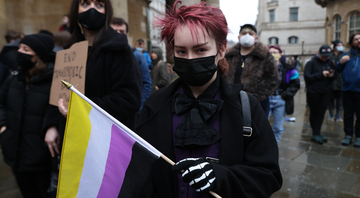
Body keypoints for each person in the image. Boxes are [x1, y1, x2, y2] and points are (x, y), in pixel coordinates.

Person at [135, 1, 282, 197]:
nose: (189, 59)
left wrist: (223, 177)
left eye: (200, 50)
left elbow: (268, 176)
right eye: (181, 51)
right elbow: (140, 171)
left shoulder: (246, 108)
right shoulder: (155, 105)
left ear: (221, 50)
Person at [0, 33, 56, 198]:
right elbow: (1, 103)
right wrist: (3, 128)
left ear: (38, 56)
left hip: (42, 159)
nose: (20, 52)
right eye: (19, 48)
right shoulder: (14, 77)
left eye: (25, 49)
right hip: (15, 154)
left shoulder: (54, 81)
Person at [224, 24, 278, 116]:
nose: (247, 36)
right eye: (244, 33)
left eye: (250, 33)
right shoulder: (228, 55)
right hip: (230, 103)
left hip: (257, 104)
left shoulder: (265, 56)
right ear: (238, 37)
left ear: (255, 38)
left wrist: (251, 98)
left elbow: (272, 80)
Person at [110, 17, 151, 111]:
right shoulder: (101, 56)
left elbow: (146, 83)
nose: (118, 34)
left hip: (131, 112)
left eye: (121, 31)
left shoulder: (137, 56)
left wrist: (138, 107)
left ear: (127, 34)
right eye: (114, 31)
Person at [304, 45, 337, 144]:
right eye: (323, 56)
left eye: (327, 56)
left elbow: (335, 75)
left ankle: (317, 132)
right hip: (313, 92)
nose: (325, 58)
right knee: (314, 112)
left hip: (326, 91)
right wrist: (321, 74)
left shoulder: (330, 62)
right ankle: (315, 133)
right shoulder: (311, 63)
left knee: (321, 112)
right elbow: (307, 77)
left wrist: (331, 75)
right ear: (319, 54)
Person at [268, 45, 300, 143]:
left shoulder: (289, 69)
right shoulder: (262, 68)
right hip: (266, 99)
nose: (273, 55)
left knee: (278, 128)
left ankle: (274, 148)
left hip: (280, 100)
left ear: (280, 54)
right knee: (261, 125)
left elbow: (295, 85)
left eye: (275, 52)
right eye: (270, 53)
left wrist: (284, 95)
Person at [336, 32, 360, 147]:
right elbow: (338, 69)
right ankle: (348, 135)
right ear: (351, 42)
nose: (359, 41)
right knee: (348, 114)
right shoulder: (346, 54)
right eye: (356, 39)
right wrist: (341, 62)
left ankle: (359, 136)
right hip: (347, 89)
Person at [328, 40, 344, 122]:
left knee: (339, 98)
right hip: (331, 79)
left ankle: (337, 114)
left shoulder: (344, 54)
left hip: (340, 79)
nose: (341, 46)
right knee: (331, 98)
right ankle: (331, 113)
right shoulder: (330, 55)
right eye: (339, 45)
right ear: (334, 46)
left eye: (341, 45)